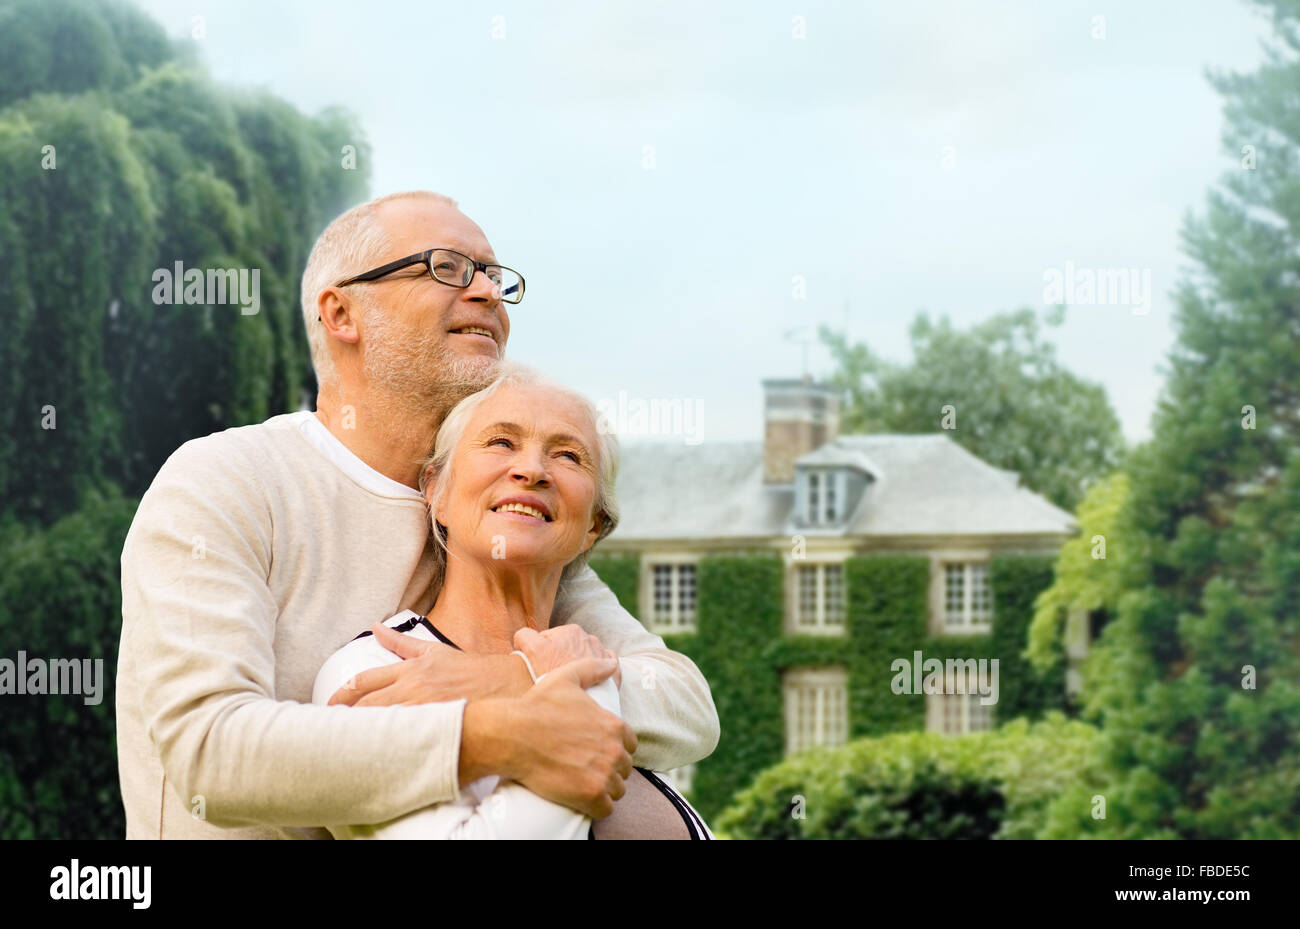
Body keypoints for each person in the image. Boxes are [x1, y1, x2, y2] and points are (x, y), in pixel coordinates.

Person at [116, 191, 719, 838]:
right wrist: (493, 732)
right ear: (342, 312)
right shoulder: (228, 481)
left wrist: (506, 677)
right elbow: (211, 751)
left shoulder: (497, 520)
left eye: (493, 275)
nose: (488, 291)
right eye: (448, 267)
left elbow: (683, 702)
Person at [312, 363, 712, 839]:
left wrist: (533, 676)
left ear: (593, 528)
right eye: (501, 442)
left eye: (567, 455)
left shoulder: (597, 657)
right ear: (436, 491)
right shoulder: (375, 667)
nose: (531, 470)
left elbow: (695, 713)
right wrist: (578, 686)